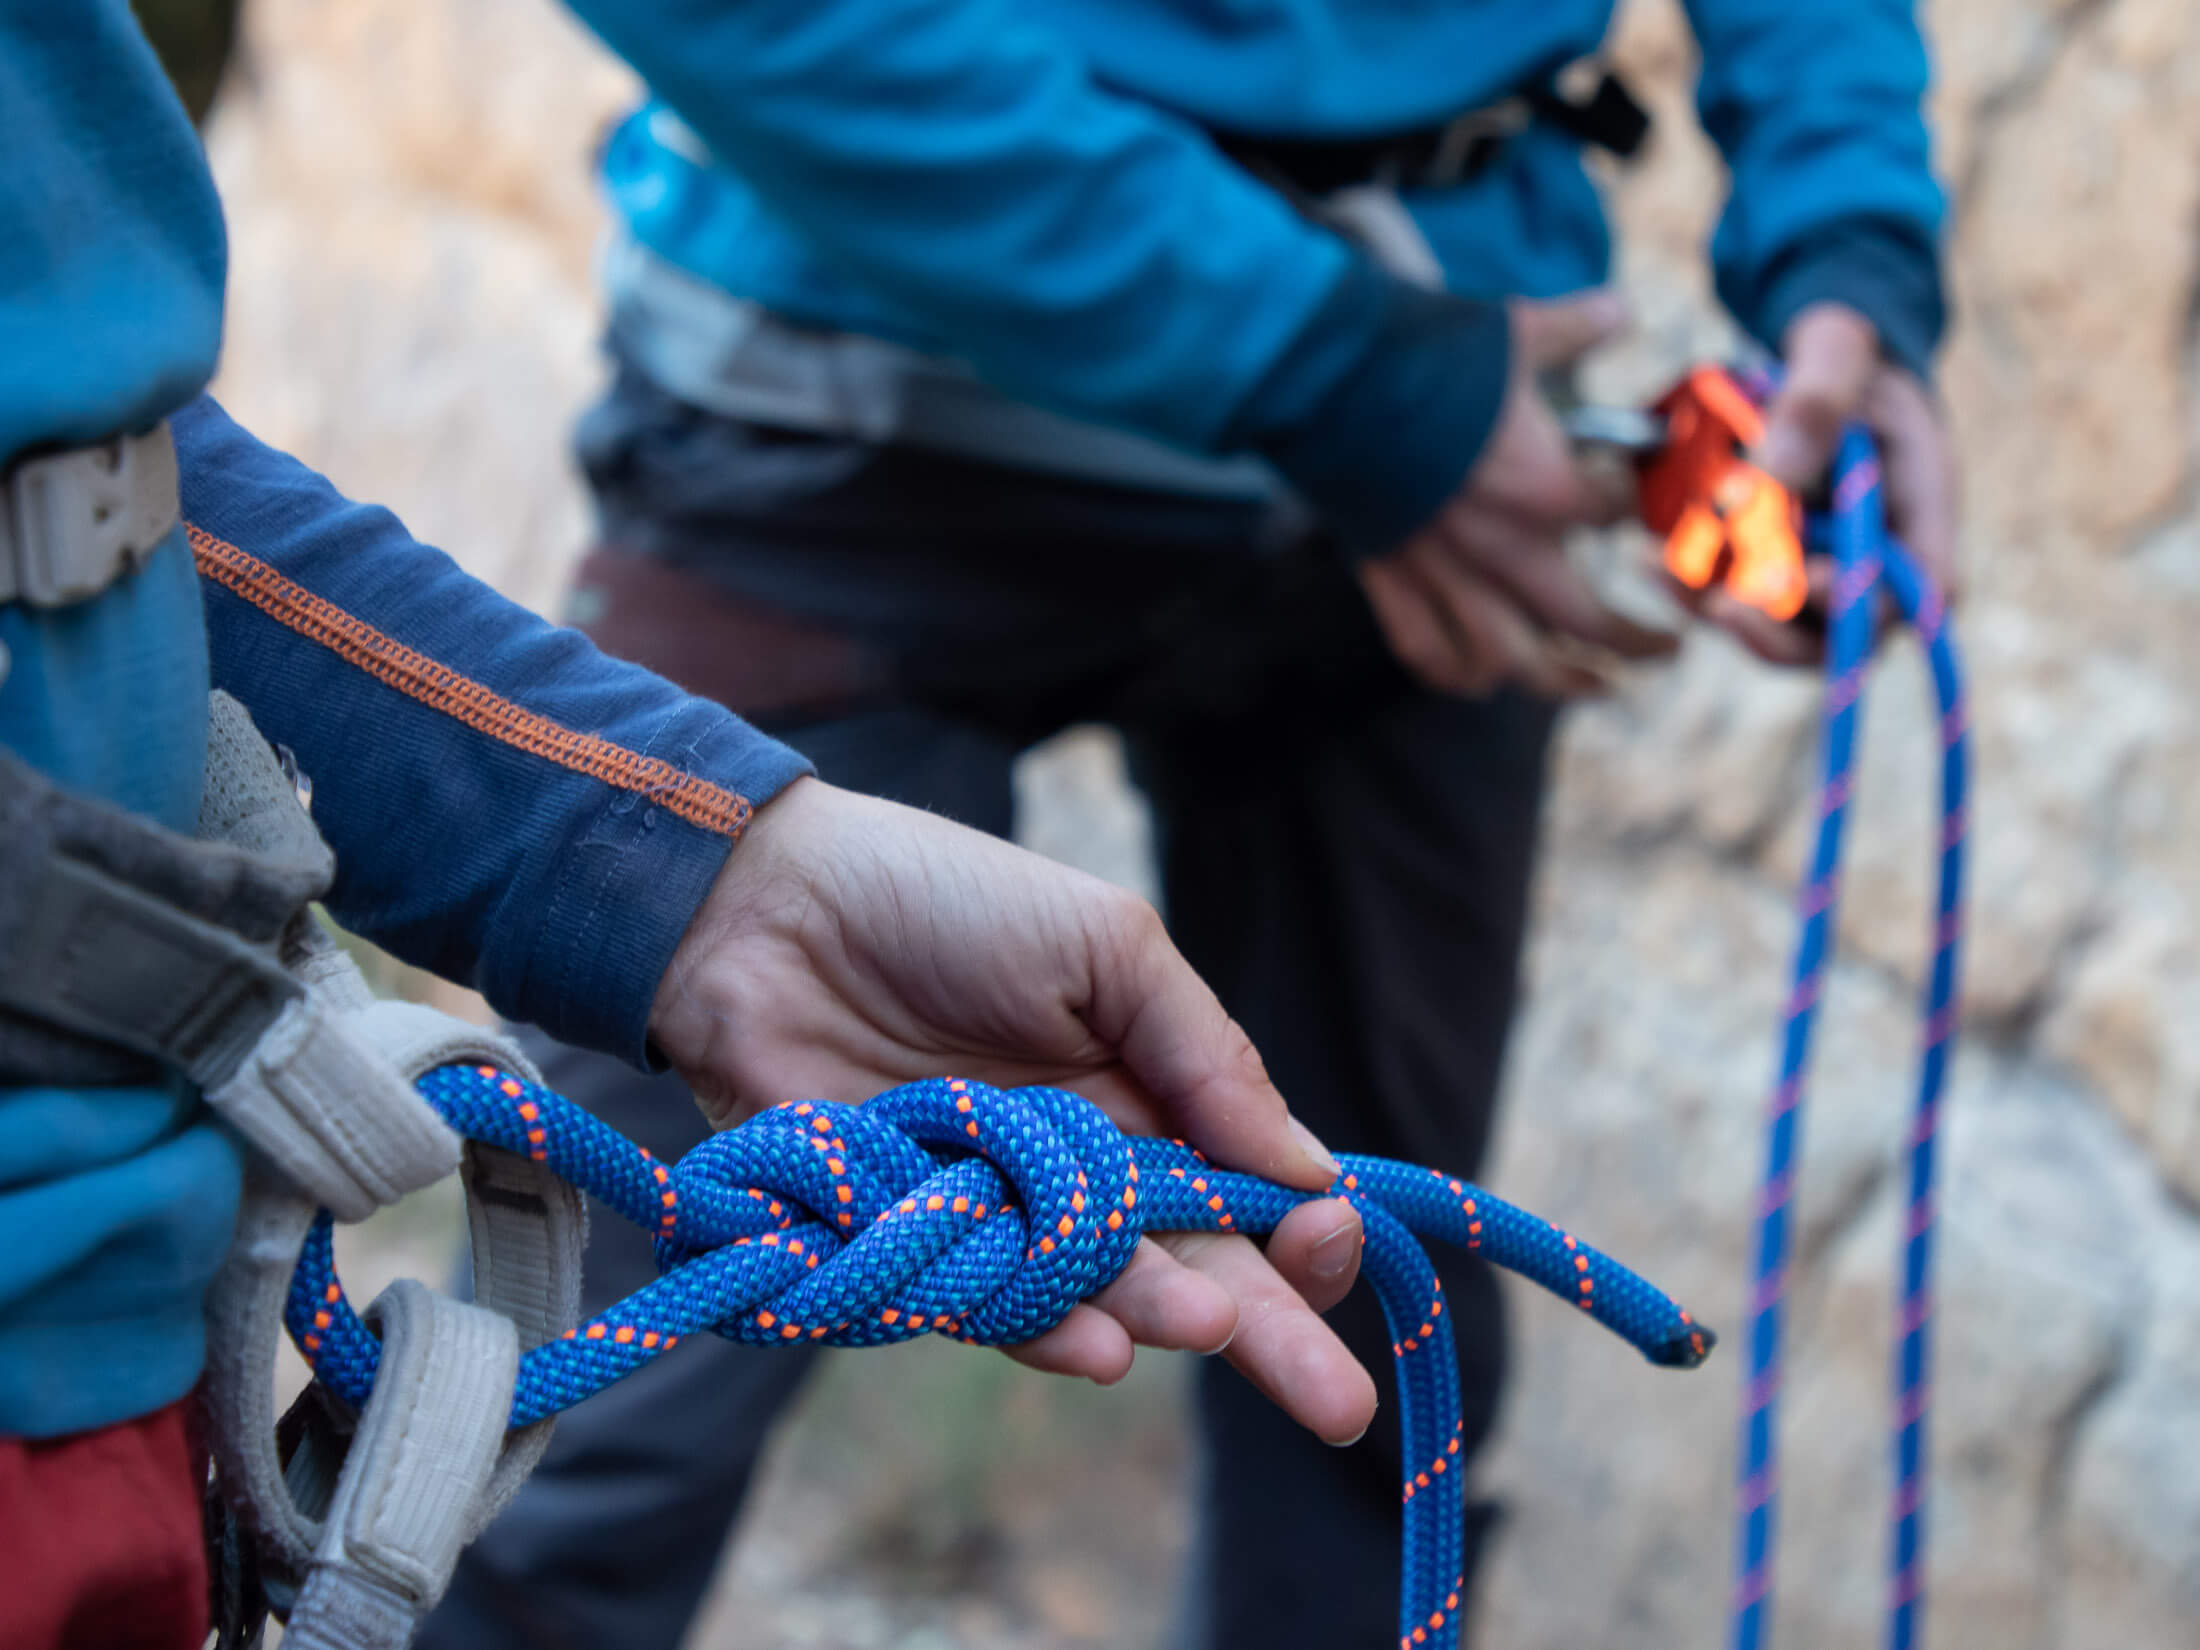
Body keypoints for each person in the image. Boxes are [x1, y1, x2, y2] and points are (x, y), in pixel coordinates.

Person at [417, 0, 1959, 1645]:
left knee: (1373, 1371)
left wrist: (1843, 239)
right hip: (853, 403)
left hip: (1437, 421)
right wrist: (1336, 375)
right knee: (598, 1404)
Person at [0, 7, 1389, 1646]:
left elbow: (103, 486)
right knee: (594, 1487)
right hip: (49, 1335)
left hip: (97, 1350)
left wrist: (701, 873)